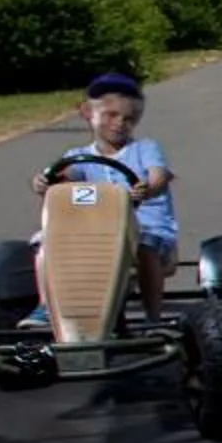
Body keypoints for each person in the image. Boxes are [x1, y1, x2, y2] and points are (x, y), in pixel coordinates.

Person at [30, 72, 178, 321]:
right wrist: (44, 182)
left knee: (145, 246)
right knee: (46, 241)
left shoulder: (144, 149)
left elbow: (159, 175)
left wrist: (147, 187)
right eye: (111, 115)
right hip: (94, 232)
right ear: (88, 112)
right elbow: (61, 177)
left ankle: (153, 315)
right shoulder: (78, 156)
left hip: (144, 227)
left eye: (129, 119)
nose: (120, 123)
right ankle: (46, 306)